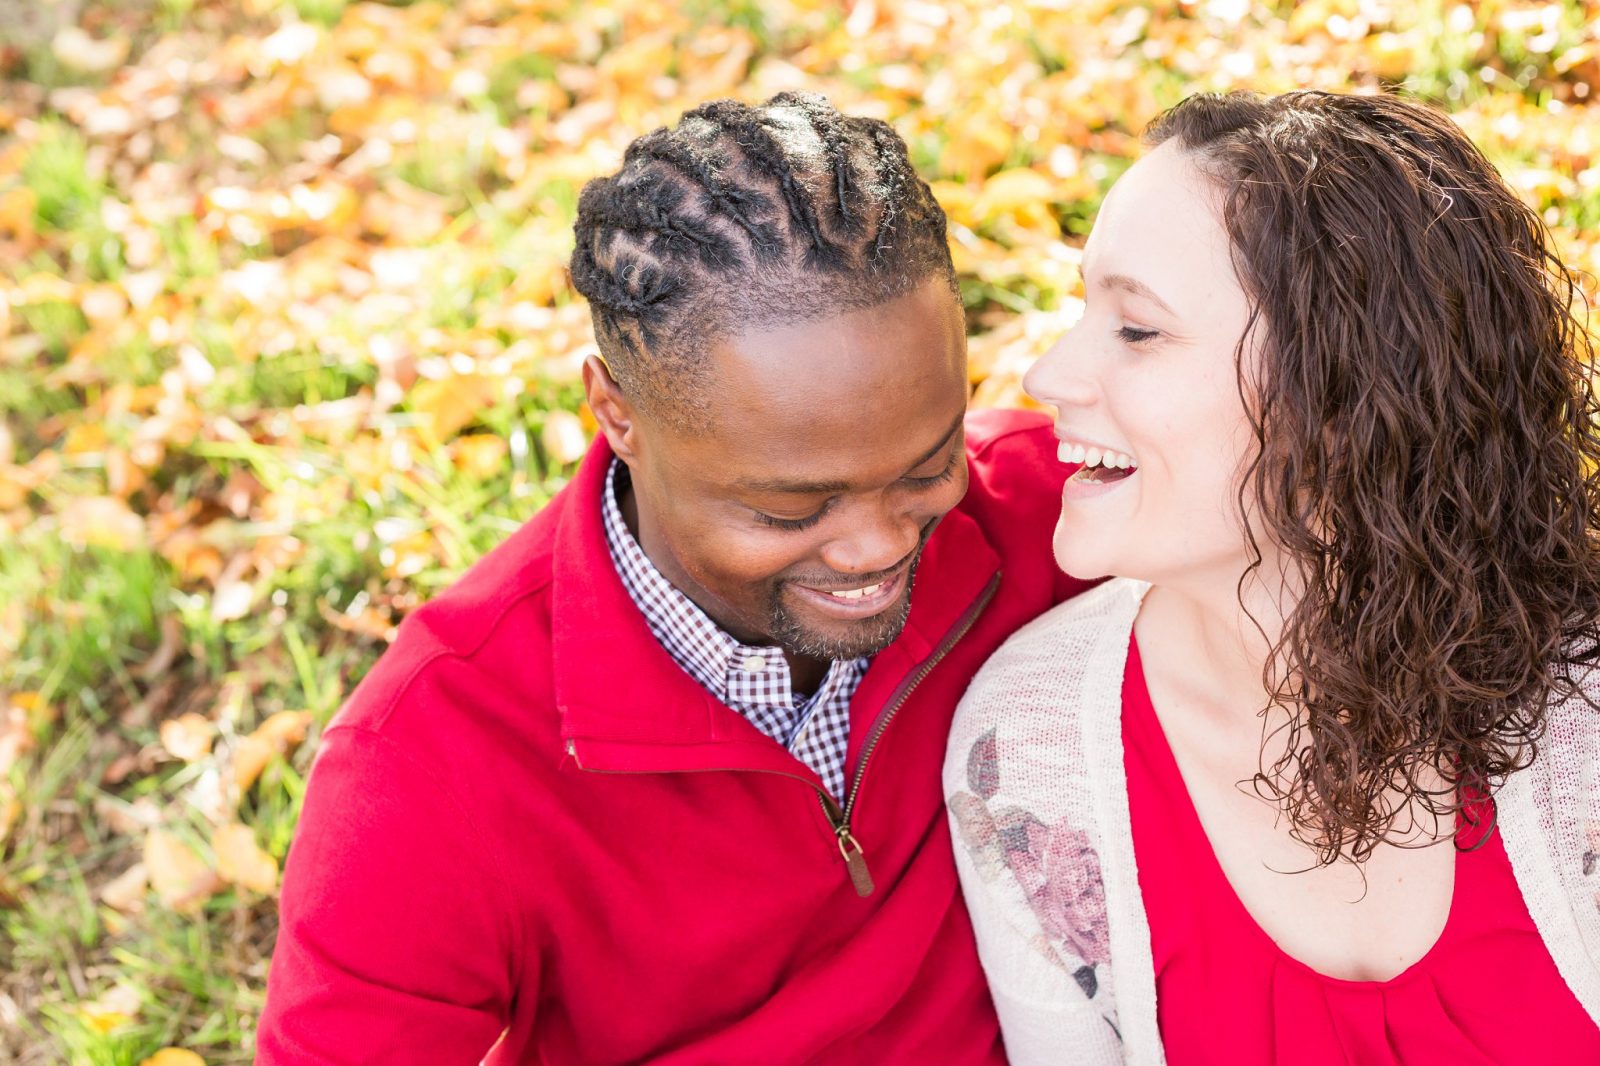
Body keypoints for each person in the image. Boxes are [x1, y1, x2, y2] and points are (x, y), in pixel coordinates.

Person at [258, 92, 1092, 1064]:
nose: (875, 547)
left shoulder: (1048, 518)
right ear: (617, 414)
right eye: (789, 508)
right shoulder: (431, 763)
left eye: (923, 465)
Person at [945, 90, 1600, 1065]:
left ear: (1344, 402)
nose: (1046, 374)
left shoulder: (1579, 707)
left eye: (1137, 330)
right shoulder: (1028, 756)